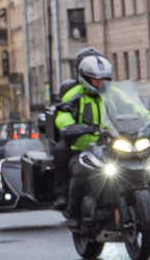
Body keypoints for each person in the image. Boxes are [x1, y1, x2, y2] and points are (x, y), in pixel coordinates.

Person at [48, 48, 114, 211]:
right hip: (81, 143)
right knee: (62, 152)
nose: (100, 83)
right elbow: (63, 114)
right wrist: (70, 127)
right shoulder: (73, 93)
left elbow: (135, 108)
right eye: (95, 79)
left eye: (103, 79)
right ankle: (65, 197)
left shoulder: (114, 93)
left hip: (110, 142)